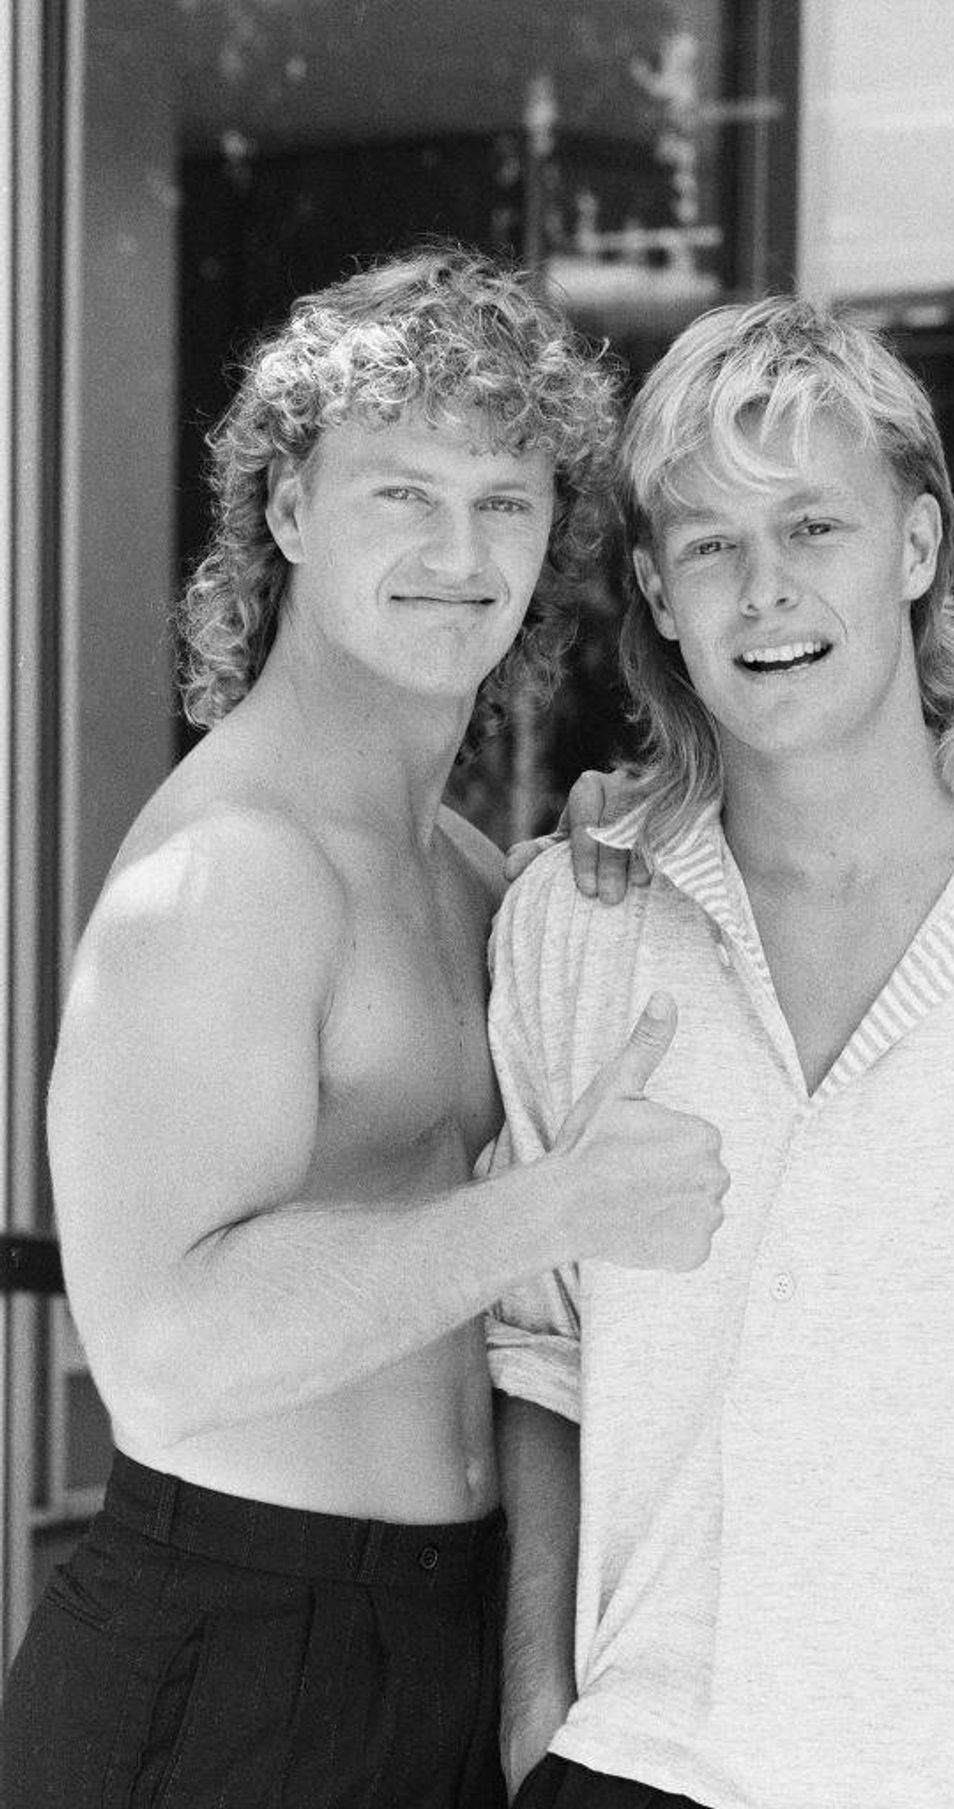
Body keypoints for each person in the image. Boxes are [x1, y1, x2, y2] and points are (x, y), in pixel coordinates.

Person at [0, 245, 728, 1809]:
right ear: (284, 509)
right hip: (232, 1664)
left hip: (443, 1645)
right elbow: (166, 1357)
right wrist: (552, 1205)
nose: (458, 551)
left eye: (506, 501)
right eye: (401, 493)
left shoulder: (470, 874)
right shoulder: (228, 877)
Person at [487, 296, 954, 1809]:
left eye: (814, 527)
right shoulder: (580, 921)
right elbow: (536, 1356)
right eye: (710, 545)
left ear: (920, 546)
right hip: (651, 1767)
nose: (765, 593)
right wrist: (537, 1720)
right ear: (656, 594)